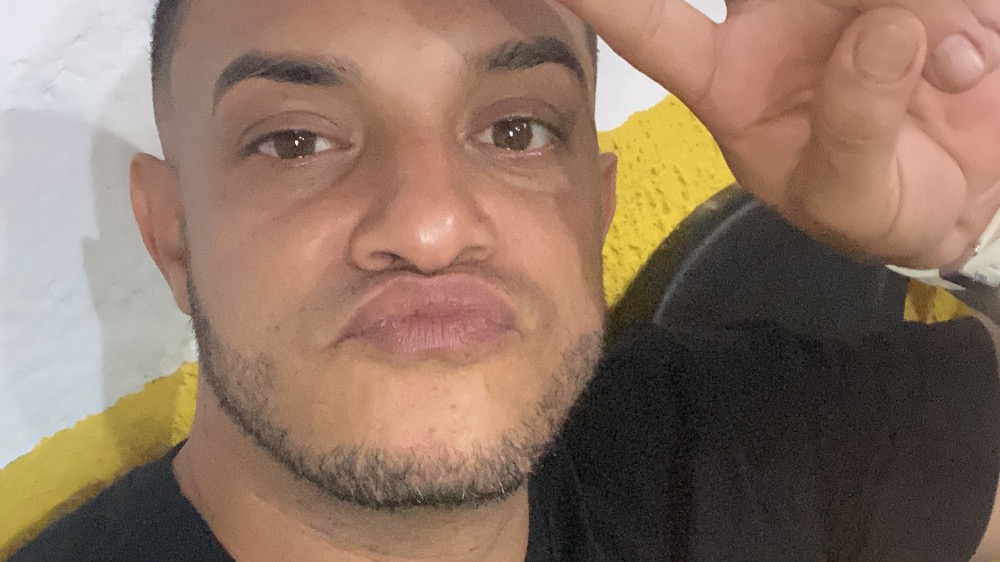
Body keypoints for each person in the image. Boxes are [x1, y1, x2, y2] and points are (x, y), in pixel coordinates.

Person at [10, 0, 1000, 559]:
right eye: (294, 141)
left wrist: (981, 229)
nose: (430, 227)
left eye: (517, 130)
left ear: (596, 211)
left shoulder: (724, 445)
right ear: (173, 234)